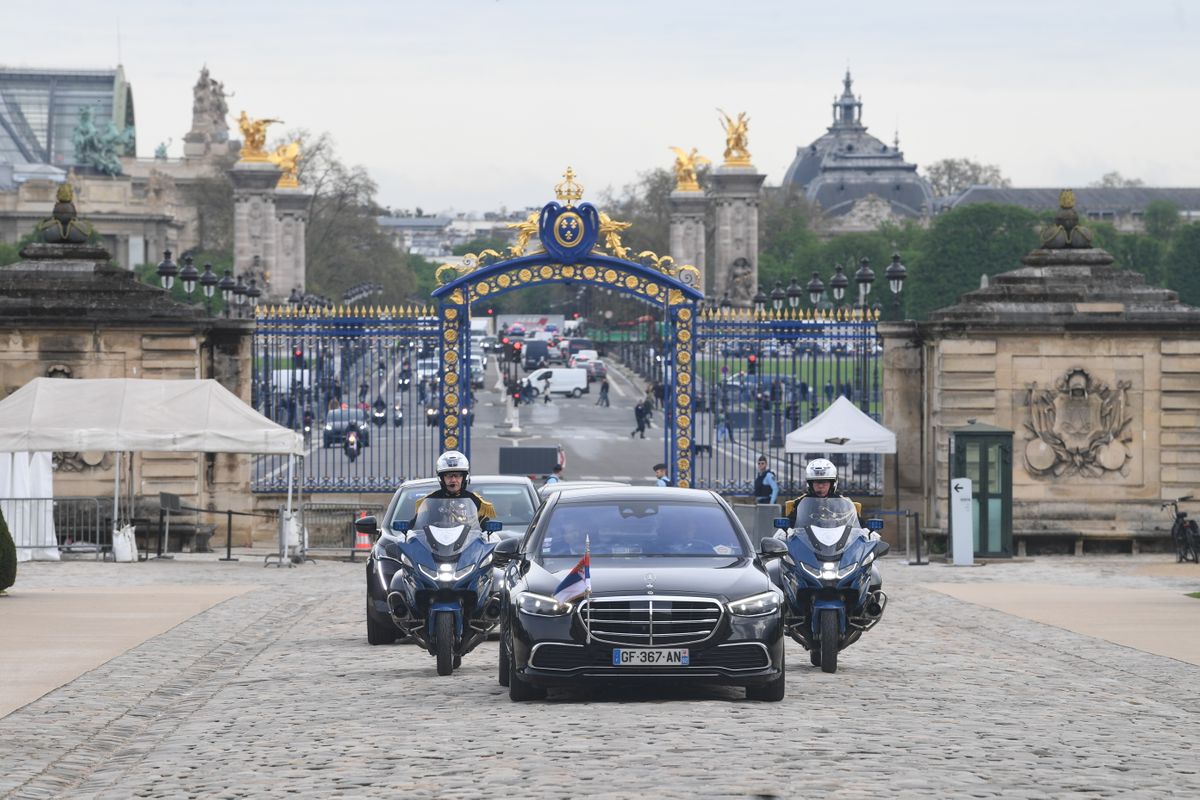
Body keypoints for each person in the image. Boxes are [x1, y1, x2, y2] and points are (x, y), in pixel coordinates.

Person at [783, 459, 878, 593]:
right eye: (816, 482)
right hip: (810, 546)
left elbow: (858, 525)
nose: (820, 486)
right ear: (810, 484)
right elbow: (790, 524)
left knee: (872, 573)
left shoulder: (844, 502)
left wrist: (868, 531)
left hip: (838, 545)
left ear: (832, 483)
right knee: (781, 569)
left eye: (824, 482)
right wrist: (784, 530)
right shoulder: (800, 503)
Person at [414, 450, 495, 523]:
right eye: (449, 476)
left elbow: (485, 530)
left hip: (468, 539)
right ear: (442, 478)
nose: (453, 480)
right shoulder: (429, 500)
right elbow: (416, 527)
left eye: (457, 476)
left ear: (464, 478)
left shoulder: (475, 500)